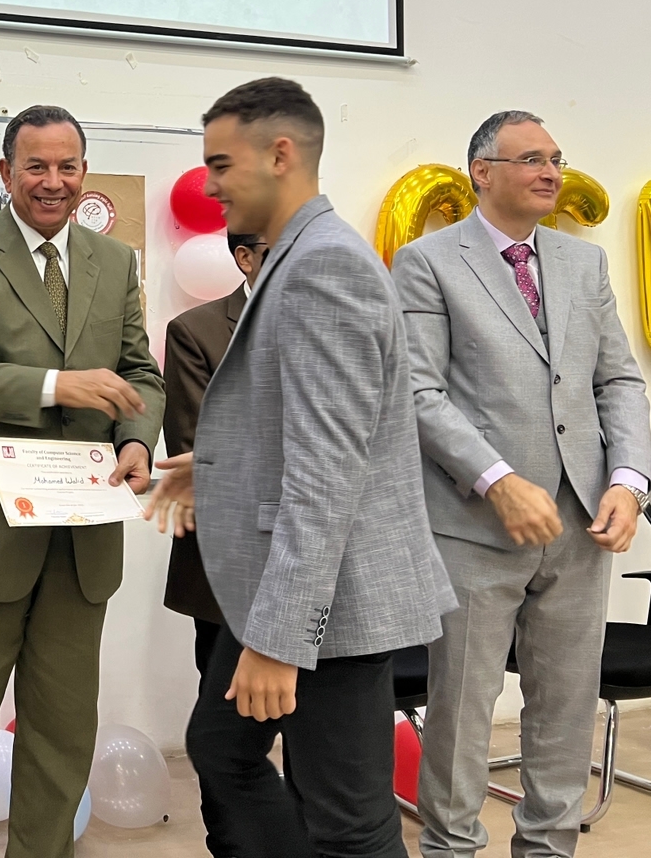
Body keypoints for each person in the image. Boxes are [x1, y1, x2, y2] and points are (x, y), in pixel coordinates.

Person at [149, 77, 454, 858]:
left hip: (330, 600)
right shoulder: (295, 260)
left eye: (221, 164)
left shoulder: (325, 268)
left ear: (280, 155)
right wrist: (213, 470)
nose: (210, 186)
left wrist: (279, 642)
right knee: (221, 748)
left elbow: (327, 474)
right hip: (279, 584)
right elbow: (299, 427)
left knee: (349, 824)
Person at [0, 104, 164, 858]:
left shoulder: (114, 261)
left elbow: (140, 373)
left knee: (64, 730)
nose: (53, 181)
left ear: (85, 171)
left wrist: (136, 441)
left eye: (67, 166)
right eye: (36, 166)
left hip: (81, 534)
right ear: (6, 172)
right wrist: (56, 386)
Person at [391, 111, 651, 858]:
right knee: (462, 709)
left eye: (557, 159)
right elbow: (418, 393)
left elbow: (619, 381)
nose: (551, 172)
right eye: (532, 158)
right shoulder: (427, 261)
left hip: (583, 523)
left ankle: (549, 846)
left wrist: (629, 480)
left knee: (566, 705)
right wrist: (498, 481)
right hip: (476, 524)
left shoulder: (583, 263)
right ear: (482, 172)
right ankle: (450, 847)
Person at [150, 231, 266, 857]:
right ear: (245, 258)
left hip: (330, 574)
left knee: (319, 739)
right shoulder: (196, 331)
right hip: (231, 573)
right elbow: (200, 456)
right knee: (228, 739)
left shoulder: (340, 325)